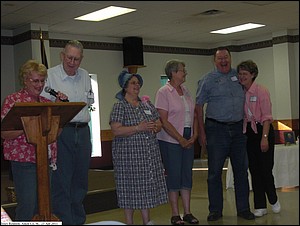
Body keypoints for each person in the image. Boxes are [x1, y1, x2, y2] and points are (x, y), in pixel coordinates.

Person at [1, 59, 67, 221]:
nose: (39, 85)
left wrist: (60, 109)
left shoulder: (46, 103)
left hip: (46, 161)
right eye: (35, 81)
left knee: (44, 206)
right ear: (25, 80)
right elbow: (4, 133)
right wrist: (29, 125)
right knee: (28, 205)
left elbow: (55, 133)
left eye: (42, 81)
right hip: (24, 162)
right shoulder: (14, 101)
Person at [195, 47, 255, 221]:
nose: (223, 61)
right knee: (214, 172)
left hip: (238, 129)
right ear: (214, 61)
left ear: (230, 58)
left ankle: (243, 208)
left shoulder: (239, 77)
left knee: (241, 171)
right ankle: (215, 210)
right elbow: (198, 107)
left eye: (226, 57)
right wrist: (202, 133)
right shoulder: (207, 80)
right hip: (216, 129)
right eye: (219, 58)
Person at [41, 40, 94, 225]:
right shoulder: (50, 75)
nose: (72, 62)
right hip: (62, 132)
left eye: (77, 59)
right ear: (62, 56)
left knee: (80, 180)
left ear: (81, 59)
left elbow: (90, 102)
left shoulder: (85, 75)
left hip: (83, 131)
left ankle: (78, 220)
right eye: (69, 58)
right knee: (62, 180)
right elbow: (42, 107)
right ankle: (64, 220)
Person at [109, 70, 168, 225]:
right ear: (125, 86)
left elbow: (159, 123)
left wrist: (156, 127)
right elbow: (116, 130)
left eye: (138, 83)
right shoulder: (120, 106)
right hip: (128, 157)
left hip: (147, 156)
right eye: (133, 83)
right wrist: (138, 128)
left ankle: (146, 221)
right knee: (129, 189)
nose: (137, 86)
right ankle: (129, 222)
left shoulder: (146, 104)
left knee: (146, 189)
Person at [155, 59, 199, 225]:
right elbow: (164, 121)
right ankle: (175, 214)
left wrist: (194, 135)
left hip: (187, 135)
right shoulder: (163, 92)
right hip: (170, 139)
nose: (185, 73)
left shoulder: (186, 91)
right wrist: (179, 139)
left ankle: (187, 212)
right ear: (173, 73)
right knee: (174, 175)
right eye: (182, 70)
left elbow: (193, 114)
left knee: (186, 174)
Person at [237, 60, 280, 217]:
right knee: (254, 170)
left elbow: (267, 117)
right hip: (248, 132)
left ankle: (273, 199)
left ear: (253, 75)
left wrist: (265, 138)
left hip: (263, 130)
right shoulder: (240, 92)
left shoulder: (261, 91)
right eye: (240, 74)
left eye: (245, 74)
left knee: (265, 169)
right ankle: (260, 205)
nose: (242, 77)